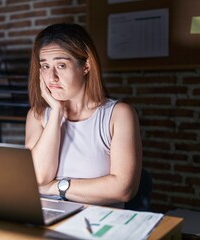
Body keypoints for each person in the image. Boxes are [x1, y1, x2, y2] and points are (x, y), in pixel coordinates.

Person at [25, 23, 142, 208]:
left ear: (86, 66)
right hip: (45, 220)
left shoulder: (118, 114)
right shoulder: (37, 115)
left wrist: (56, 187)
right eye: (45, 66)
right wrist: (55, 113)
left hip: (99, 224)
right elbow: (38, 178)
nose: (51, 77)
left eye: (61, 65)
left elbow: (123, 189)